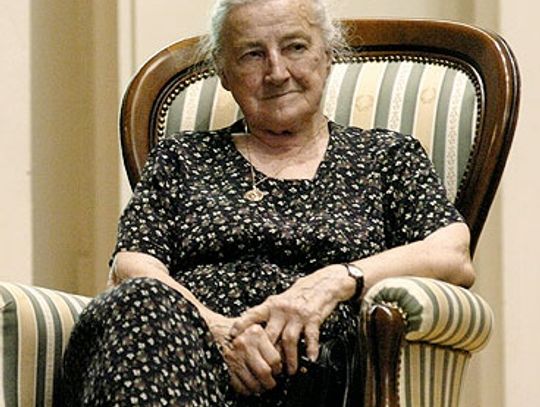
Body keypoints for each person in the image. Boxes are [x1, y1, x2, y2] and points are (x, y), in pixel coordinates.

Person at [61, 0, 475, 405]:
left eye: (295, 47)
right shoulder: (182, 157)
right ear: (224, 72)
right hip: (173, 351)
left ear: (328, 56)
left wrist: (335, 280)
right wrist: (220, 334)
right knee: (140, 300)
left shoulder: (384, 156)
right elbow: (132, 264)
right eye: (252, 55)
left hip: (308, 369)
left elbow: (452, 253)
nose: (276, 72)